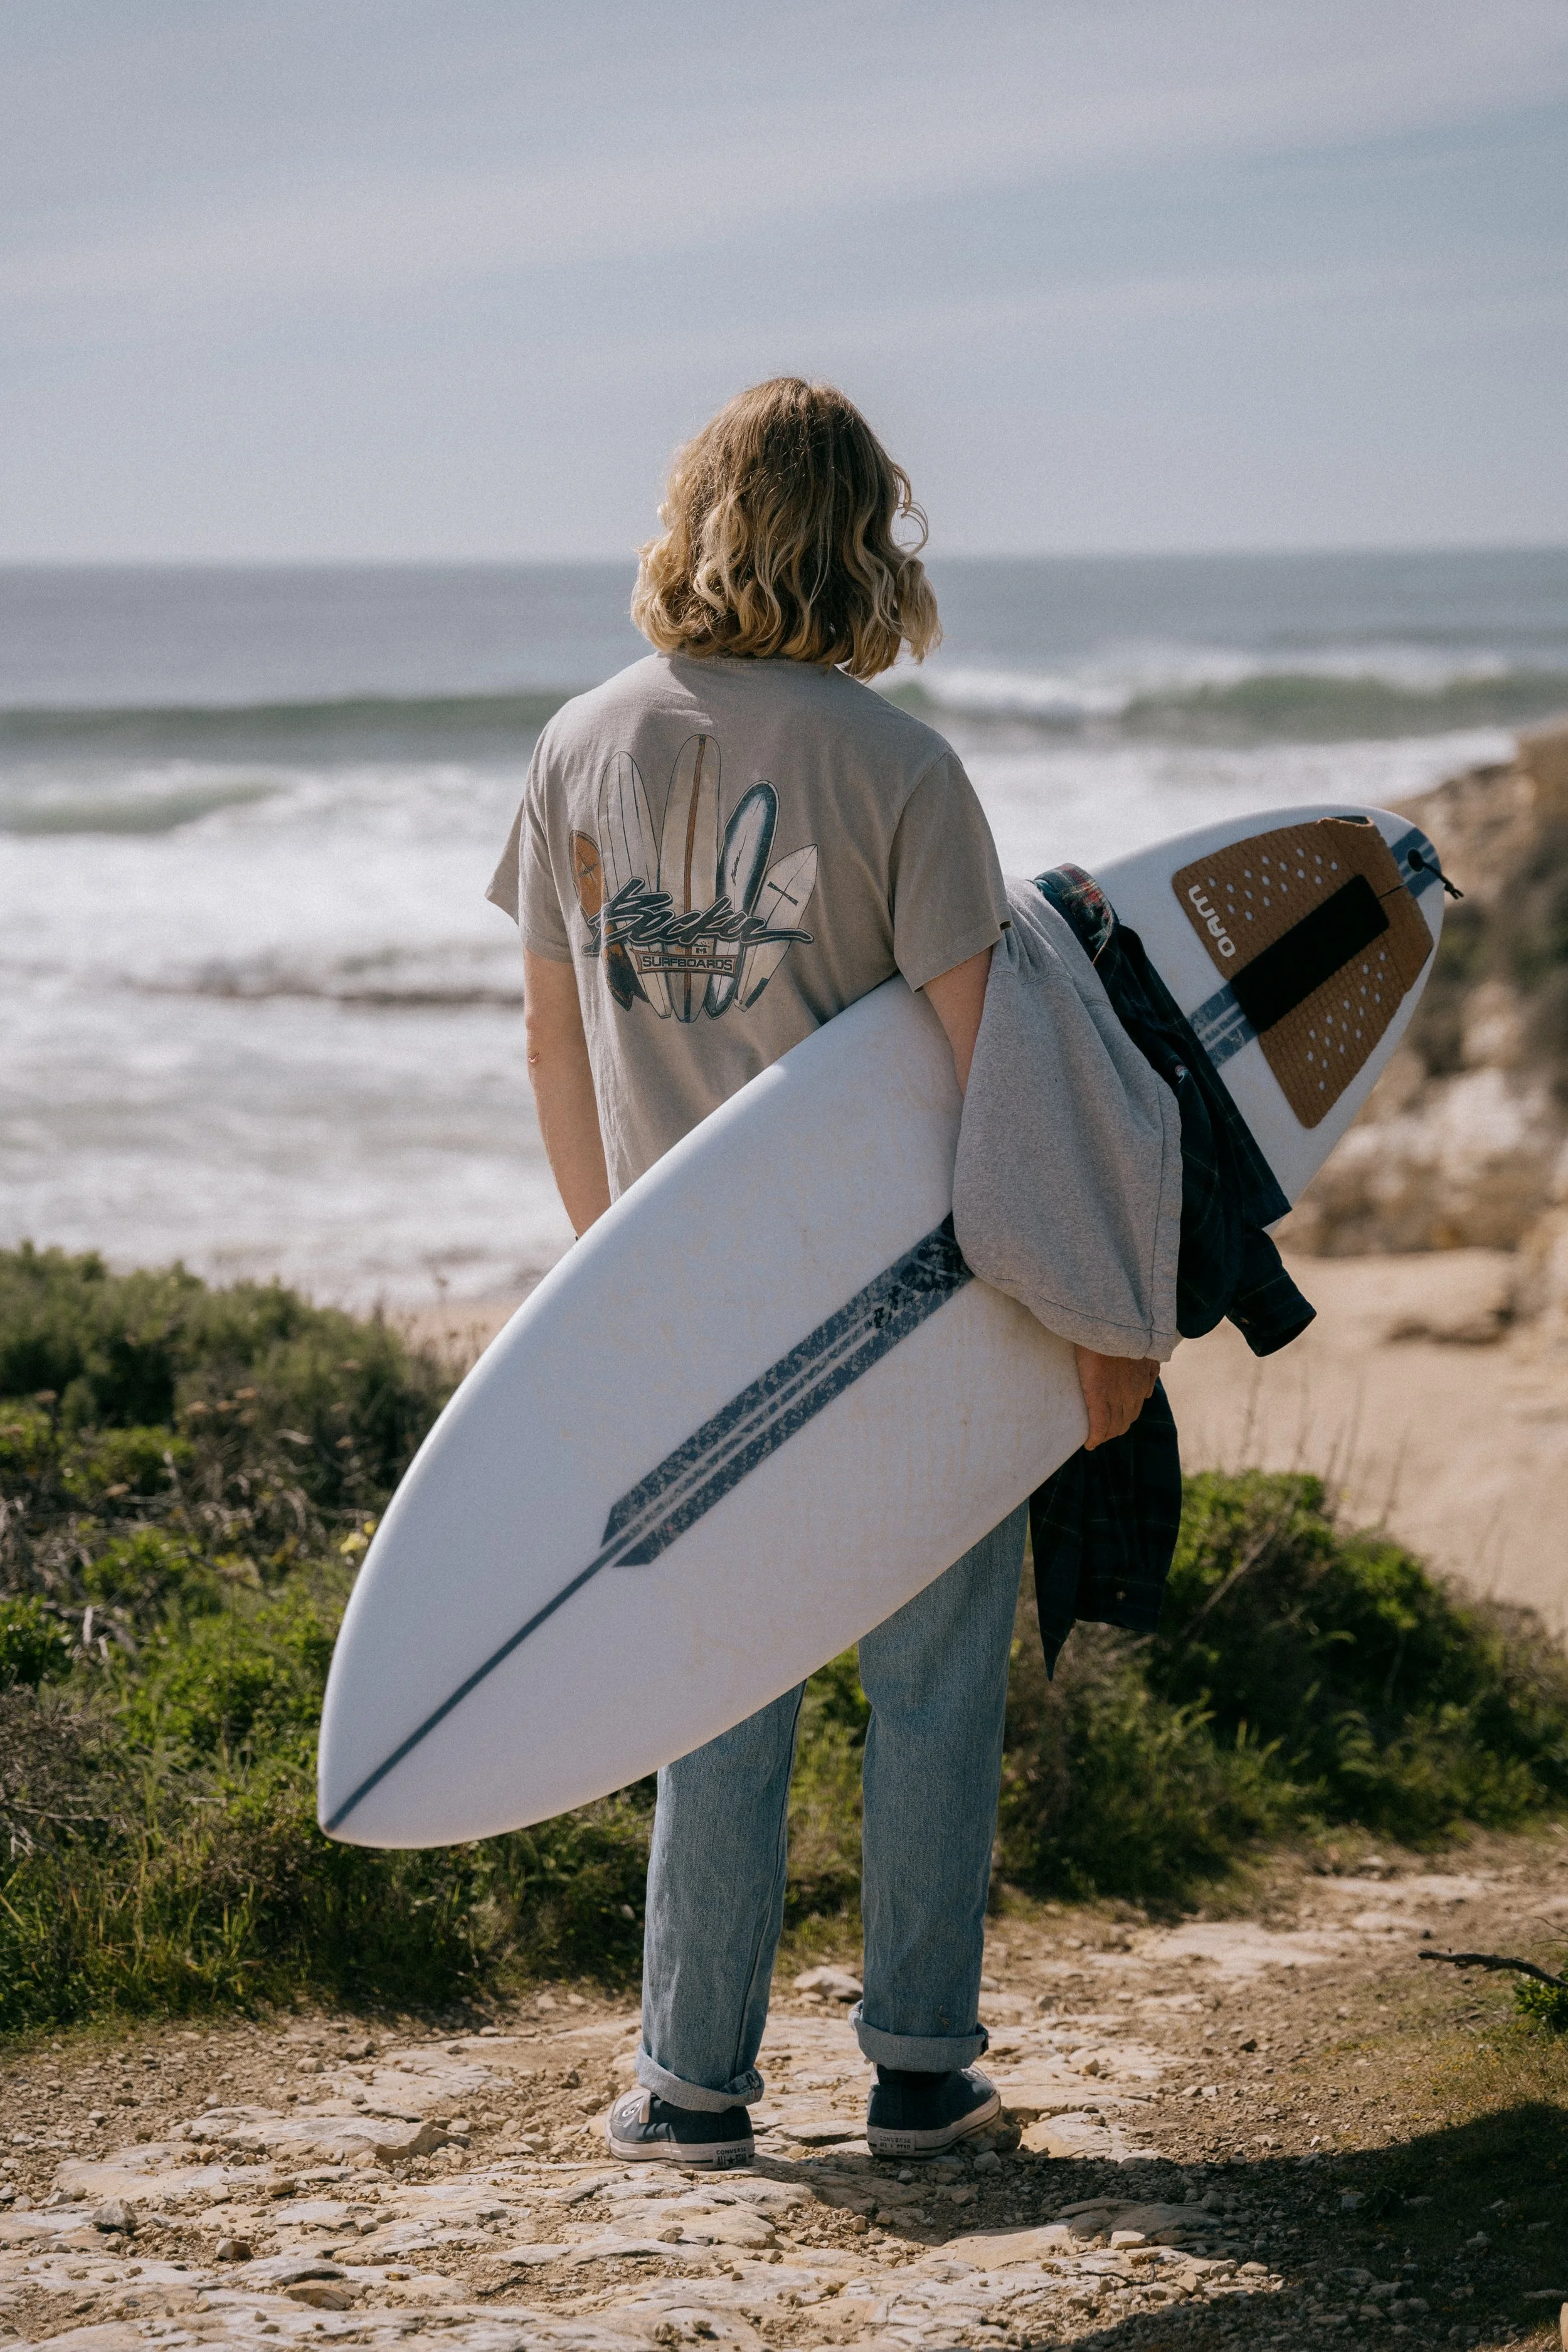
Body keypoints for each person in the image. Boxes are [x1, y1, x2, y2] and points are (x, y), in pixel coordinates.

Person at [489, 378, 1157, 2166]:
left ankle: (689, 2087)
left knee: (714, 1686)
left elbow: (554, 1051)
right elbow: (984, 1078)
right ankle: (920, 2071)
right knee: (932, 1678)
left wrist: (603, 1278)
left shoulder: (577, 746)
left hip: (684, 1306)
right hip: (907, 1318)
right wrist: (1094, 1320)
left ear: (690, 516)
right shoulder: (903, 770)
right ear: (864, 539)